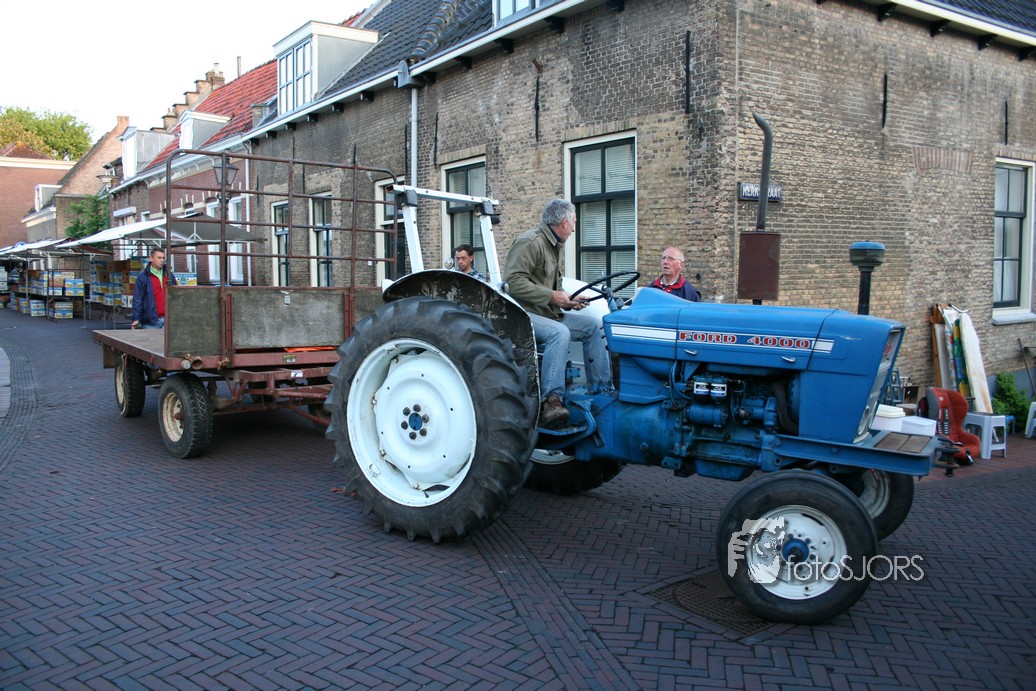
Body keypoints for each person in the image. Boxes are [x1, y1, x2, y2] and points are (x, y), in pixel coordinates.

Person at [503, 199, 612, 428]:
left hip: (547, 313)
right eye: (574, 223)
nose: (574, 229)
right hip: (523, 315)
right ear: (564, 223)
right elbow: (513, 283)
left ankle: (602, 391)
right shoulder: (530, 242)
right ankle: (552, 401)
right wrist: (553, 296)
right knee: (559, 333)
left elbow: (553, 288)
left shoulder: (556, 246)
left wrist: (569, 301)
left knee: (592, 326)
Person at [130, 248, 178, 329]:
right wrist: (136, 318)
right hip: (150, 322)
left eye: (163, 258)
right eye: (159, 258)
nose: (162, 260)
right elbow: (138, 299)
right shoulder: (143, 277)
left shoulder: (169, 275)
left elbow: (176, 296)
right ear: (151, 258)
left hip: (168, 321)